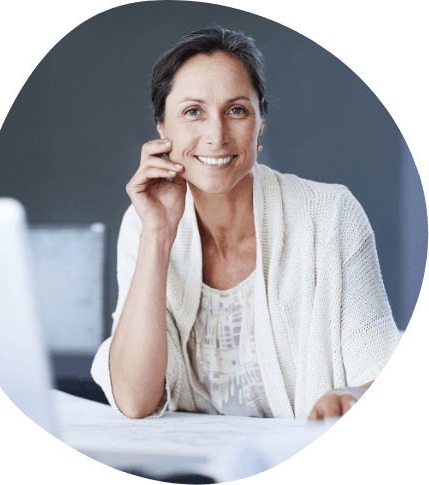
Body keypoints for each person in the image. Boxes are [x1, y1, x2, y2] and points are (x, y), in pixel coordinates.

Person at [91, 27, 401, 420]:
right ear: (162, 128)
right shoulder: (143, 222)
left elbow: (383, 373)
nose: (216, 136)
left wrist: (352, 397)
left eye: (236, 110)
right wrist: (158, 233)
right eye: (192, 112)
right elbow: (135, 400)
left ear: (260, 123)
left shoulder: (331, 215)